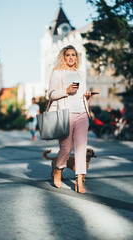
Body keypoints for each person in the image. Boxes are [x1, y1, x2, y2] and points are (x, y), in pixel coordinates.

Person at [48, 45, 91, 194]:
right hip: (65, 115)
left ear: (77, 57)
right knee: (66, 148)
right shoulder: (58, 73)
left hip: (82, 114)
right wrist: (66, 91)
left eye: (74, 55)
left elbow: (82, 93)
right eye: (68, 55)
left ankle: (79, 180)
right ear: (63, 57)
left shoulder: (81, 73)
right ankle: (58, 170)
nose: (71, 57)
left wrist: (87, 96)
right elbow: (51, 94)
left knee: (81, 148)